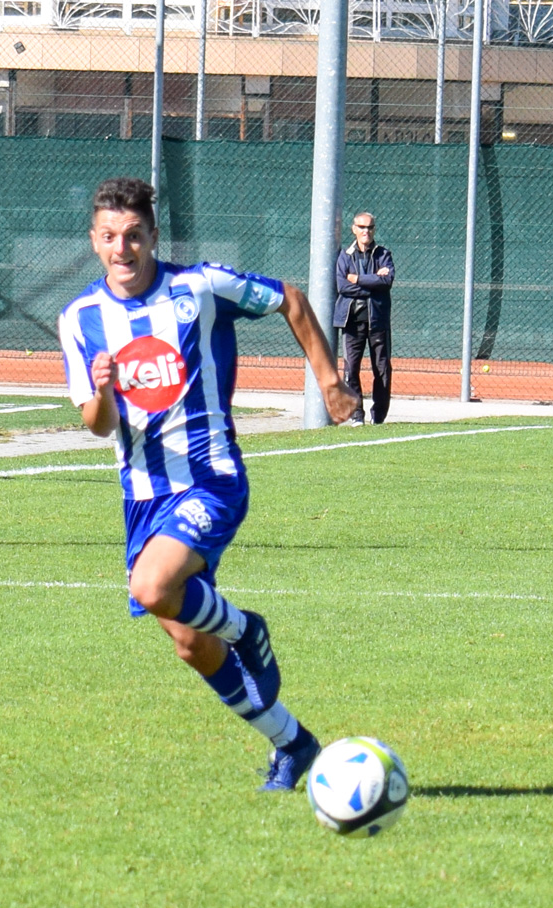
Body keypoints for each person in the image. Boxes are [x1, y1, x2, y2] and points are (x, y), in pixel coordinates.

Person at [58, 177, 355, 791]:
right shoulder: (80, 319)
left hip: (211, 479)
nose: (122, 249)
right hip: (142, 496)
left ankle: (246, 630)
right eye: (110, 237)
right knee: (191, 644)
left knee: (152, 585)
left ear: (153, 237)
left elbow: (291, 300)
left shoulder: (199, 287)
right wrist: (104, 390)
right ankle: (292, 744)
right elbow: (97, 424)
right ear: (93, 241)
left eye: (133, 236)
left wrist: (329, 382)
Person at [333, 212, 395, 425]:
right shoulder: (345, 255)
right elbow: (342, 286)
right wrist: (373, 283)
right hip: (352, 321)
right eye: (361, 227)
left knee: (382, 369)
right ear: (354, 229)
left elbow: (386, 282)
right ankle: (357, 415)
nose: (365, 231)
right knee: (351, 369)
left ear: (374, 229)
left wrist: (358, 279)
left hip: (378, 321)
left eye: (369, 227)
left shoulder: (383, 254)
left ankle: (378, 417)